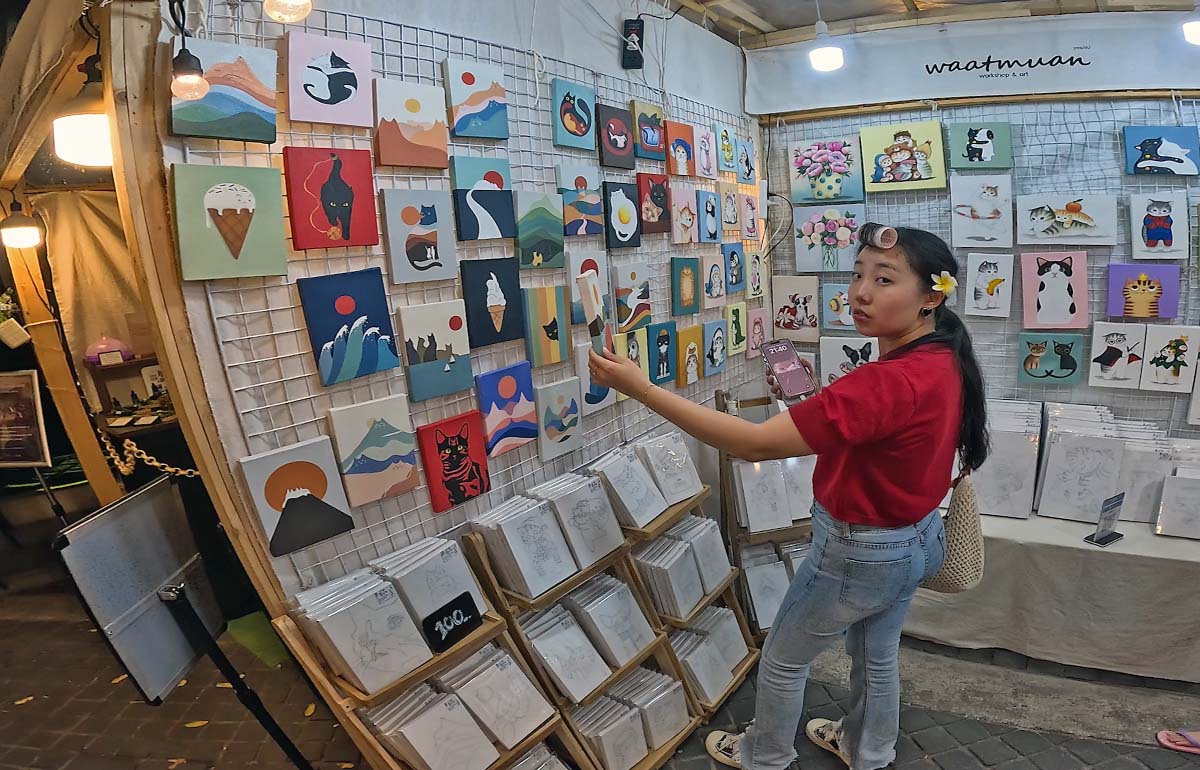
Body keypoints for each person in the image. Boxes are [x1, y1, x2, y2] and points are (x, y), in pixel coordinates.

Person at [588, 226, 989, 770]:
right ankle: (869, 749)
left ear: (931, 298)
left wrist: (643, 390)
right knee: (876, 653)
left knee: (781, 659)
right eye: (858, 274)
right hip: (915, 539)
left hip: (859, 551)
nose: (860, 292)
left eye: (884, 279)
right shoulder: (942, 355)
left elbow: (753, 442)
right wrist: (811, 406)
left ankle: (765, 754)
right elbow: (876, 430)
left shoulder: (885, 381)